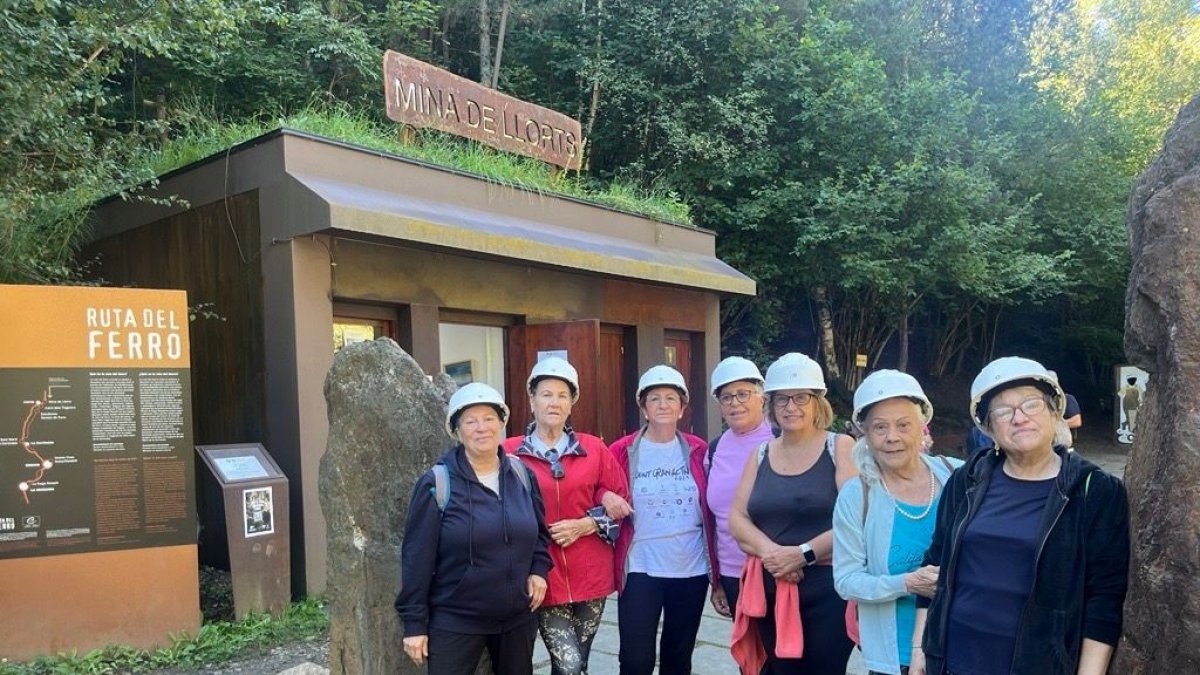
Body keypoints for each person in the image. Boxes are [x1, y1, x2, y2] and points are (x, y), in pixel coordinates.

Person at [914, 357, 1130, 675]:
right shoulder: (967, 480)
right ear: (988, 427)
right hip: (955, 660)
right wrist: (920, 650)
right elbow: (936, 564)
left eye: (1031, 404)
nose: (1019, 418)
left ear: (1054, 411)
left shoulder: (1094, 489)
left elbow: (1105, 596)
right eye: (1003, 411)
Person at [396, 383, 552, 674]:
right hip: (456, 619)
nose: (481, 428)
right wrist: (414, 624)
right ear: (457, 430)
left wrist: (539, 570)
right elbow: (416, 557)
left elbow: (540, 535)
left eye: (489, 418)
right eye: (470, 421)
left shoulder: (522, 475)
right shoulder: (437, 484)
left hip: (517, 618)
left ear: (501, 423)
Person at [729, 352, 857, 674]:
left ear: (817, 402)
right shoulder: (760, 453)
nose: (791, 406)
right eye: (782, 399)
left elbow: (856, 519)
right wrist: (773, 554)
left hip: (828, 591)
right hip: (771, 587)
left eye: (801, 397)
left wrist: (802, 554)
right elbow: (737, 518)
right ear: (771, 405)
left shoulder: (840, 447)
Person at [503, 356, 632, 675]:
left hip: (592, 572)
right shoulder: (509, 452)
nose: (554, 402)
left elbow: (623, 504)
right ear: (532, 400)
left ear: (572, 402)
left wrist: (585, 524)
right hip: (543, 574)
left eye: (563, 395)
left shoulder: (593, 448)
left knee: (577, 664)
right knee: (569, 663)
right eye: (546, 394)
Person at [832, 370, 963, 675]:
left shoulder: (957, 476)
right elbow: (846, 581)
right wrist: (906, 583)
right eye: (880, 427)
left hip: (962, 647)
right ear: (865, 434)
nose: (892, 437)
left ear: (922, 428)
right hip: (894, 656)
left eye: (903, 425)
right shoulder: (858, 495)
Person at [608, 365, 718, 675]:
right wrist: (605, 496)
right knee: (635, 658)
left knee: (678, 655)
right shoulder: (621, 450)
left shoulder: (699, 450)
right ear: (643, 408)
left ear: (682, 408)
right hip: (640, 565)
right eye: (654, 398)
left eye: (671, 398)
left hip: (690, 566)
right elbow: (599, 486)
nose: (663, 405)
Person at [704, 356, 775, 618]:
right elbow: (712, 520)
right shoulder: (714, 449)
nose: (735, 403)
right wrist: (717, 581)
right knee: (744, 644)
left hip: (777, 568)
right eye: (726, 397)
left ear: (762, 399)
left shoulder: (781, 441)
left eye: (743, 394)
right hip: (731, 572)